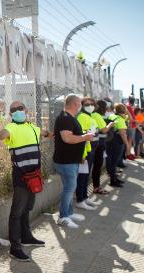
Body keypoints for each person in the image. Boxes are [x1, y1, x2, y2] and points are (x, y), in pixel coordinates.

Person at [0, 101, 50, 262]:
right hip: (21, 177)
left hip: (35, 176)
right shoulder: (12, 127)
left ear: (26, 110)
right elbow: (1, 134)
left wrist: (52, 133)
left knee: (27, 208)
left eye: (20, 108)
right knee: (17, 212)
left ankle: (26, 237)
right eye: (14, 110)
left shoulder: (33, 127)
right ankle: (15, 247)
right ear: (11, 114)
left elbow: (44, 133)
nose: (18, 111)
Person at [53, 95, 94, 228]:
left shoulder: (69, 118)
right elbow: (67, 138)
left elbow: (72, 136)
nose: (81, 106)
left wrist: (83, 136)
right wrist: (85, 137)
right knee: (70, 188)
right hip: (66, 161)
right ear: (76, 104)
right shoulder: (65, 118)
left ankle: (68, 213)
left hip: (71, 160)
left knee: (69, 188)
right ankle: (63, 217)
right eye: (80, 103)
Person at [74, 97, 99, 211]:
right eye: (87, 104)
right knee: (82, 176)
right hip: (86, 151)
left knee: (86, 175)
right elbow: (82, 136)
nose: (90, 106)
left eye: (92, 104)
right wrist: (83, 154)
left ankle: (84, 197)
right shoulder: (82, 117)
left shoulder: (90, 116)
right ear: (82, 106)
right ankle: (80, 200)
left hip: (91, 149)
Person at [92, 100, 114, 195]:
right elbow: (104, 130)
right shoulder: (97, 116)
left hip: (92, 142)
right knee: (97, 165)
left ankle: (83, 191)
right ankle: (96, 187)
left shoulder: (91, 115)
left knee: (90, 167)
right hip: (99, 143)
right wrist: (111, 124)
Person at [107, 104, 130, 188]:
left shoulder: (112, 116)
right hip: (118, 142)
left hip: (110, 141)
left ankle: (114, 178)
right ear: (123, 110)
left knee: (111, 161)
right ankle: (113, 180)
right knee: (114, 161)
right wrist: (127, 145)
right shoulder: (120, 119)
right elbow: (122, 133)